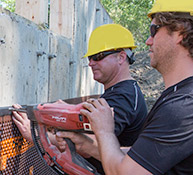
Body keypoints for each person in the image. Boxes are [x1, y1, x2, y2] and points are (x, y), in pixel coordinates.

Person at [58, 0, 193, 174]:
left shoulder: (183, 107)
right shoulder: (177, 97)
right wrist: (84, 142)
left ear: (180, 32)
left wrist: (104, 132)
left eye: (154, 30)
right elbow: (143, 158)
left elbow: (126, 172)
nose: (148, 41)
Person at [12, 24, 148, 174]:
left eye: (98, 57)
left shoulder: (123, 97)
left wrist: (34, 134)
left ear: (121, 57)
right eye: (90, 58)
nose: (91, 63)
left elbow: (86, 146)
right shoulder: (122, 92)